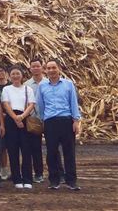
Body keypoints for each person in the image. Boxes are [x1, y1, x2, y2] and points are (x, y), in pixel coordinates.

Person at [37, 59, 81, 191]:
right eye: (48, 68)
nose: (51, 70)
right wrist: (44, 120)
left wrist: (76, 121)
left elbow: (73, 103)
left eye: (53, 67)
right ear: (46, 70)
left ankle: (71, 181)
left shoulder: (68, 85)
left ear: (59, 68)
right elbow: (40, 105)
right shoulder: (42, 86)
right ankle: (54, 180)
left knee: (69, 152)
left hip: (66, 121)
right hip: (50, 122)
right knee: (51, 153)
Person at [24, 57, 61, 184]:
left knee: (53, 147)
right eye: (33, 66)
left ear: (42, 68)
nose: (35, 68)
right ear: (30, 69)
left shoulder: (48, 82)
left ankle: (59, 173)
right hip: (34, 120)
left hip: (50, 118)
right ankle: (38, 173)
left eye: (38, 66)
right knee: (35, 148)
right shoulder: (27, 85)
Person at [2, 65, 36, 189]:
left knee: (26, 150)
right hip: (11, 120)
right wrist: (15, 118)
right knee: (13, 150)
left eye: (18, 73)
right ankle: (17, 178)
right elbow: (5, 104)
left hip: (25, 117)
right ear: (9, 76)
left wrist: (21, 117)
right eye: (13, 74)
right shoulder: (6, 89)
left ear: (22, 75)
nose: (15, 76)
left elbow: (31, 104)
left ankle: (27, 179)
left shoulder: (28, 89)